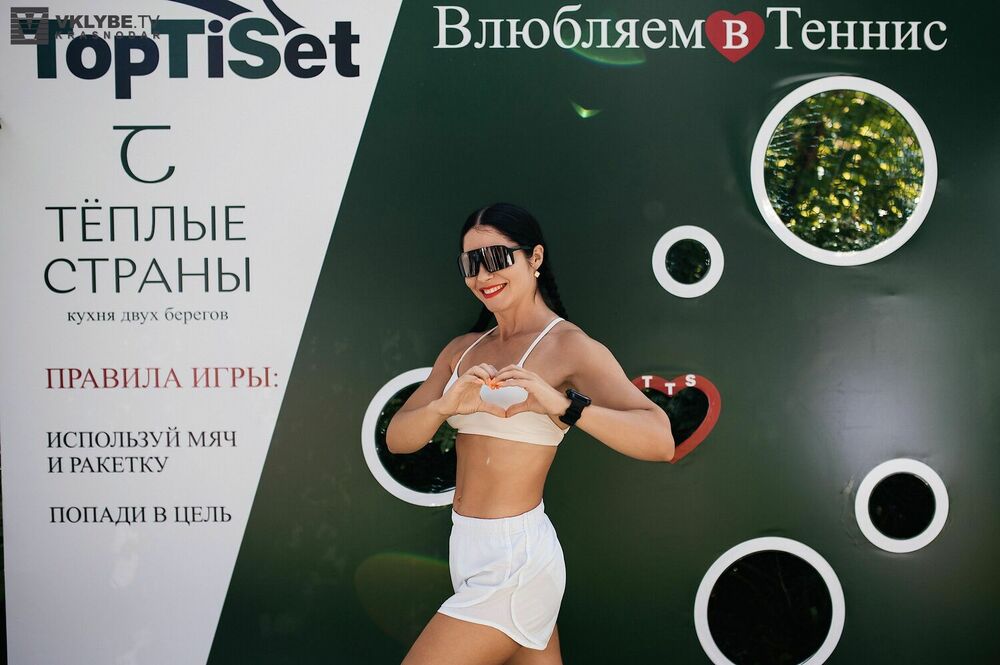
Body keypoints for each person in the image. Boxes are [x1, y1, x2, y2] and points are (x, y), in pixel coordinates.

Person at [386, 203, 675, 665]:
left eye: (497, 258)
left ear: (534, 257)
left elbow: (660, 440)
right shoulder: (462, 350)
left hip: (515, 559)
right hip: (468, 550)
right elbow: (399, 439)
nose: (483, 275)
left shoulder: (568, 346)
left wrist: (564, 406)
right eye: (470, 264)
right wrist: (443, 407)